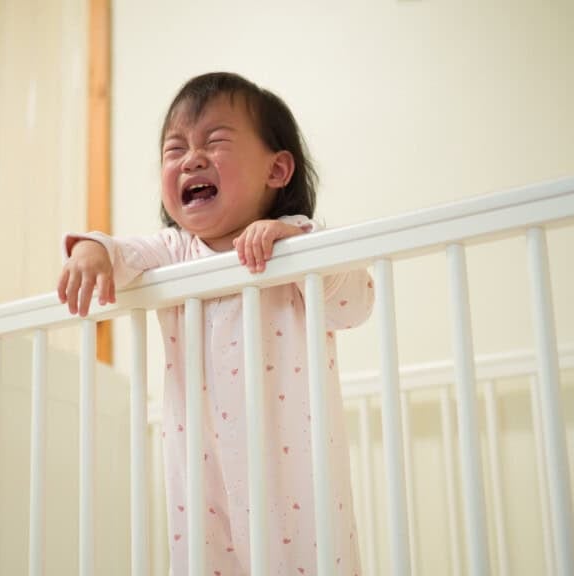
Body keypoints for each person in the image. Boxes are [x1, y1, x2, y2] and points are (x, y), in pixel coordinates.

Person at [58, 72, 373, 575]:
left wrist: (293, 241)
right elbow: (122, 253)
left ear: (277, 169)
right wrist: (92, 249)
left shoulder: (299, 246)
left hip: (292, 477)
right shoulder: (174, 253)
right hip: (203, 481)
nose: (191, 159)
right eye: (175, 148)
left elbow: (355, 304)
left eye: (215, 142)